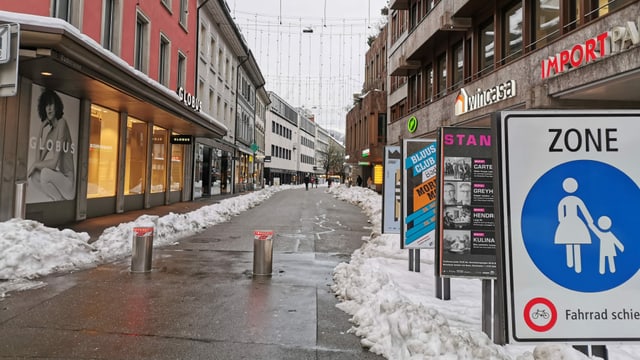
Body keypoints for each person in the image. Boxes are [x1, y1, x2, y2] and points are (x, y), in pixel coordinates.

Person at [28, 88, 75, 201]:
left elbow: (53, 164)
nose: (48, 108)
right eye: (46, 105)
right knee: (34, 177)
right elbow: (38, 161)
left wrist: (35, 166)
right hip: (59, 179)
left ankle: (58, 201)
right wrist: (40, 130)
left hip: (68, 183)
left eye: (51, 104)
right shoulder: (50, 133)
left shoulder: (62, 123)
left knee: (44, 172)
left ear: (56, 106)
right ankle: (57, 200)